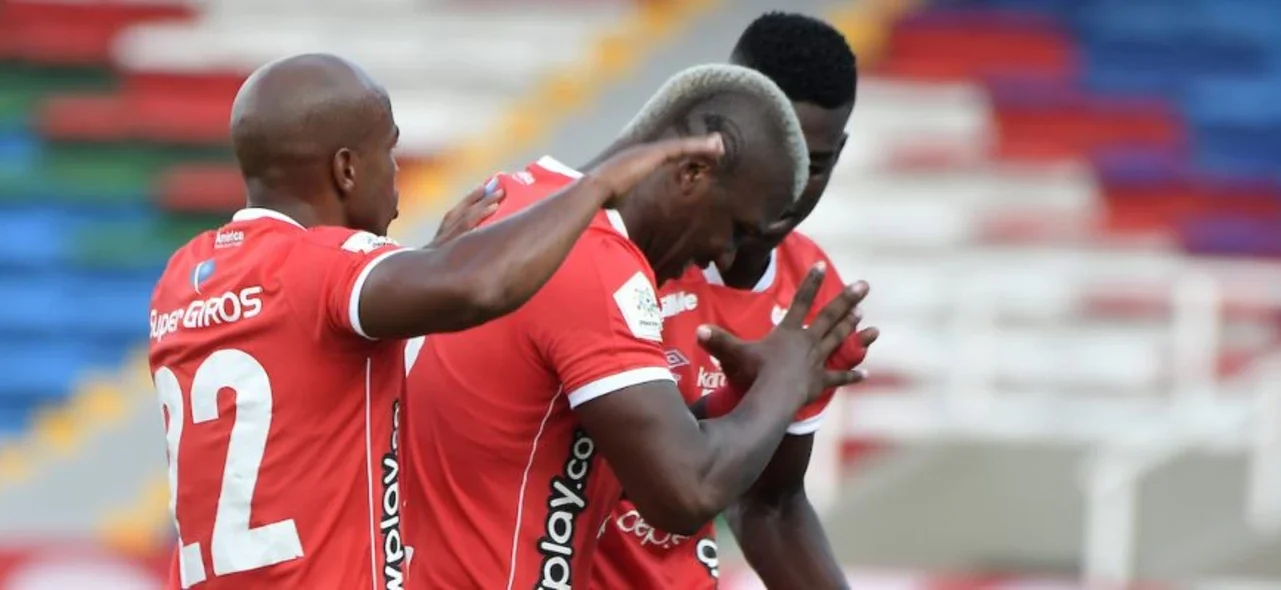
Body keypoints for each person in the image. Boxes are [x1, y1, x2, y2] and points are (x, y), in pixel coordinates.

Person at [146, 53, 725, 590]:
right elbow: (483, 288)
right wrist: (595, 187)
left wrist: (421, 264)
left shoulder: (185, 275)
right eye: (388, 153)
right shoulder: (321, 268)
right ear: (347, 169)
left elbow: (312, 356)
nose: (396, 178)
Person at [399, 63, 874, 589]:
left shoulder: (515, 197)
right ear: (692, 172)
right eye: (736, 230)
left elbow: (558, 427)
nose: (723, 252)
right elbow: (684, 494)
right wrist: (783, 382)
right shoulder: (594, 262)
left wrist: (738, 397)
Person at [591, 12, 863, 589]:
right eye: (770, 152)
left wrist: (766, 395)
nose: (788, 185)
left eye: (813, 166)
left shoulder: (810, 297)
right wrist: (769, 392)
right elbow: (664, 477)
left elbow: (770, 504)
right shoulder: (614, 249)